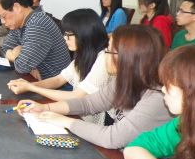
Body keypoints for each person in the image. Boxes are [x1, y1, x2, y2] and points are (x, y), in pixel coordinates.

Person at [20, 25, 172, 149]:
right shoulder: (124, 80)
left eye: (109, 50)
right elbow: (89, 103)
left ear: (127, 58)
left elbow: (112, 138)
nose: (104, 54)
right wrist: (45, 108)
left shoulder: (158, 99)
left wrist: (64, 121)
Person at [7, 9, 111, 125]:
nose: (64, 38)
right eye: (64, 34)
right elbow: (58, 79)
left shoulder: (103, 59)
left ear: (85, 33)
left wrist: (32, 88)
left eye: (68, 35)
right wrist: (27, 85)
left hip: (96, 124)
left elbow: (76, 96)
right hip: (78, 115)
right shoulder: (84, 54)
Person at [124, 45, 195, 159]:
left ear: (191, 91)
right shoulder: (186, 123)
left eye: (169, 84)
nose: (163, 89)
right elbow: (133, 149)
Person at [0, 0, 70, 80]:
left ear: (17, 7)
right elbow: (5, 47)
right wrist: (15, 56)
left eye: (3, 16)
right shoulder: (19, 24)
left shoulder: (37, 24)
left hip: (58, 85)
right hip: (39, 81)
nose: (2, 21)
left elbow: (22, 67)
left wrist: (17, 57)